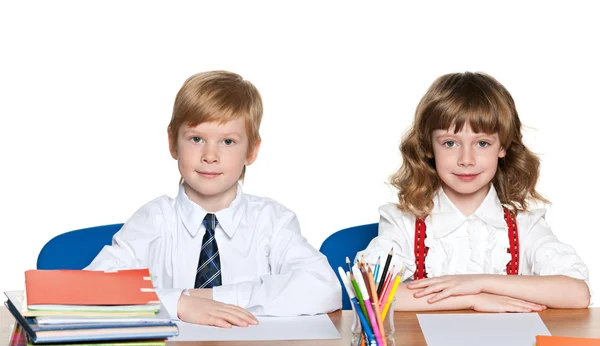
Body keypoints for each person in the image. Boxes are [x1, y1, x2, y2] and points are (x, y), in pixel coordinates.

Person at [86, 70, 341, 326]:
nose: (210, 155)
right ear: (173, 143)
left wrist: (215, 297)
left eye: (228, 142)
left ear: (251, 151)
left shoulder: (272, 221)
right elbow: (91, 287)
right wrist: (180, 303)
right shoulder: (154, 219)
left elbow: (324, 288)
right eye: (196, 139)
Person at [357, 72, 590, 312]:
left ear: (503, 147)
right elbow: (372, 293)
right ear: (428, 147)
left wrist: (475, 283)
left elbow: (577, 294)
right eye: (450, 143)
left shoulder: (524, 226)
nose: (466, 160)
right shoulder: (403, 222)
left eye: (482, 143)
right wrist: (472, 299)